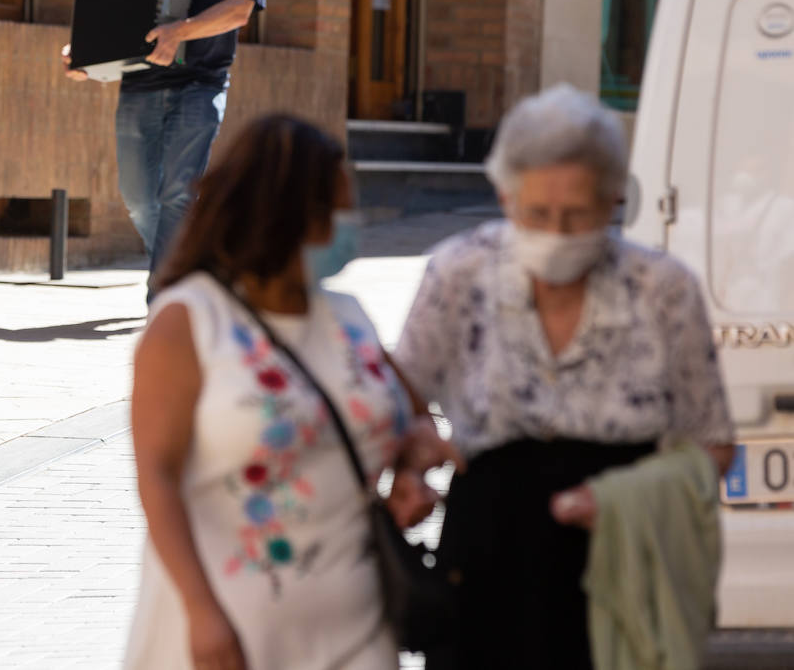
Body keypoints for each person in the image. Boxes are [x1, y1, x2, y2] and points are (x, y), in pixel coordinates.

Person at [393, 84, 735, 668]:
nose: (555, 231)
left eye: (576, 215)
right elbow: (398, 399)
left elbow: (714, 442)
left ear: (611, 203)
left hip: (621, 557)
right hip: (486, 558)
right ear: (505, 198)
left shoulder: (663, 290)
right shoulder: (460, 273)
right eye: (536, 214)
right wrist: (410, 459)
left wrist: (623, 500)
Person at [125, 114, 454, 670]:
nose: (351, 226)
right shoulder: (188, 321)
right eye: (336, 212)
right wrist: (201, 613)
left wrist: (411, 471)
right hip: (230, 633)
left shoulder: (348, 316)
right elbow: (156, 475)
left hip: (358, 628)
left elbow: (413, 417)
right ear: (283, 216)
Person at [63, 0, 266, 292]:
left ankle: (166, 291)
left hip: (201, 84)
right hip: (142, 85)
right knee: (137, 200)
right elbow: (130, 17)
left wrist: (181, 32)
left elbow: (238, 11)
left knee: (177, 193)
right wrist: (87, 58)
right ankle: (193, 263)